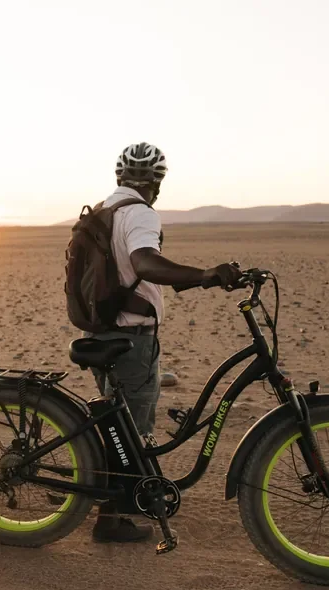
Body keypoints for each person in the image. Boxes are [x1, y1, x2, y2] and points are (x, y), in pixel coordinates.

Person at [87, 142, 243, 543]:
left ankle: (114, 503)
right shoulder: (138, 213)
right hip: (130, 338)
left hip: (104, 330)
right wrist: (206, 274)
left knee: (118, 429)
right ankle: (112, 518)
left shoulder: (105, 210)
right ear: (157, 183)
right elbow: (144, 263)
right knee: (133, 429)